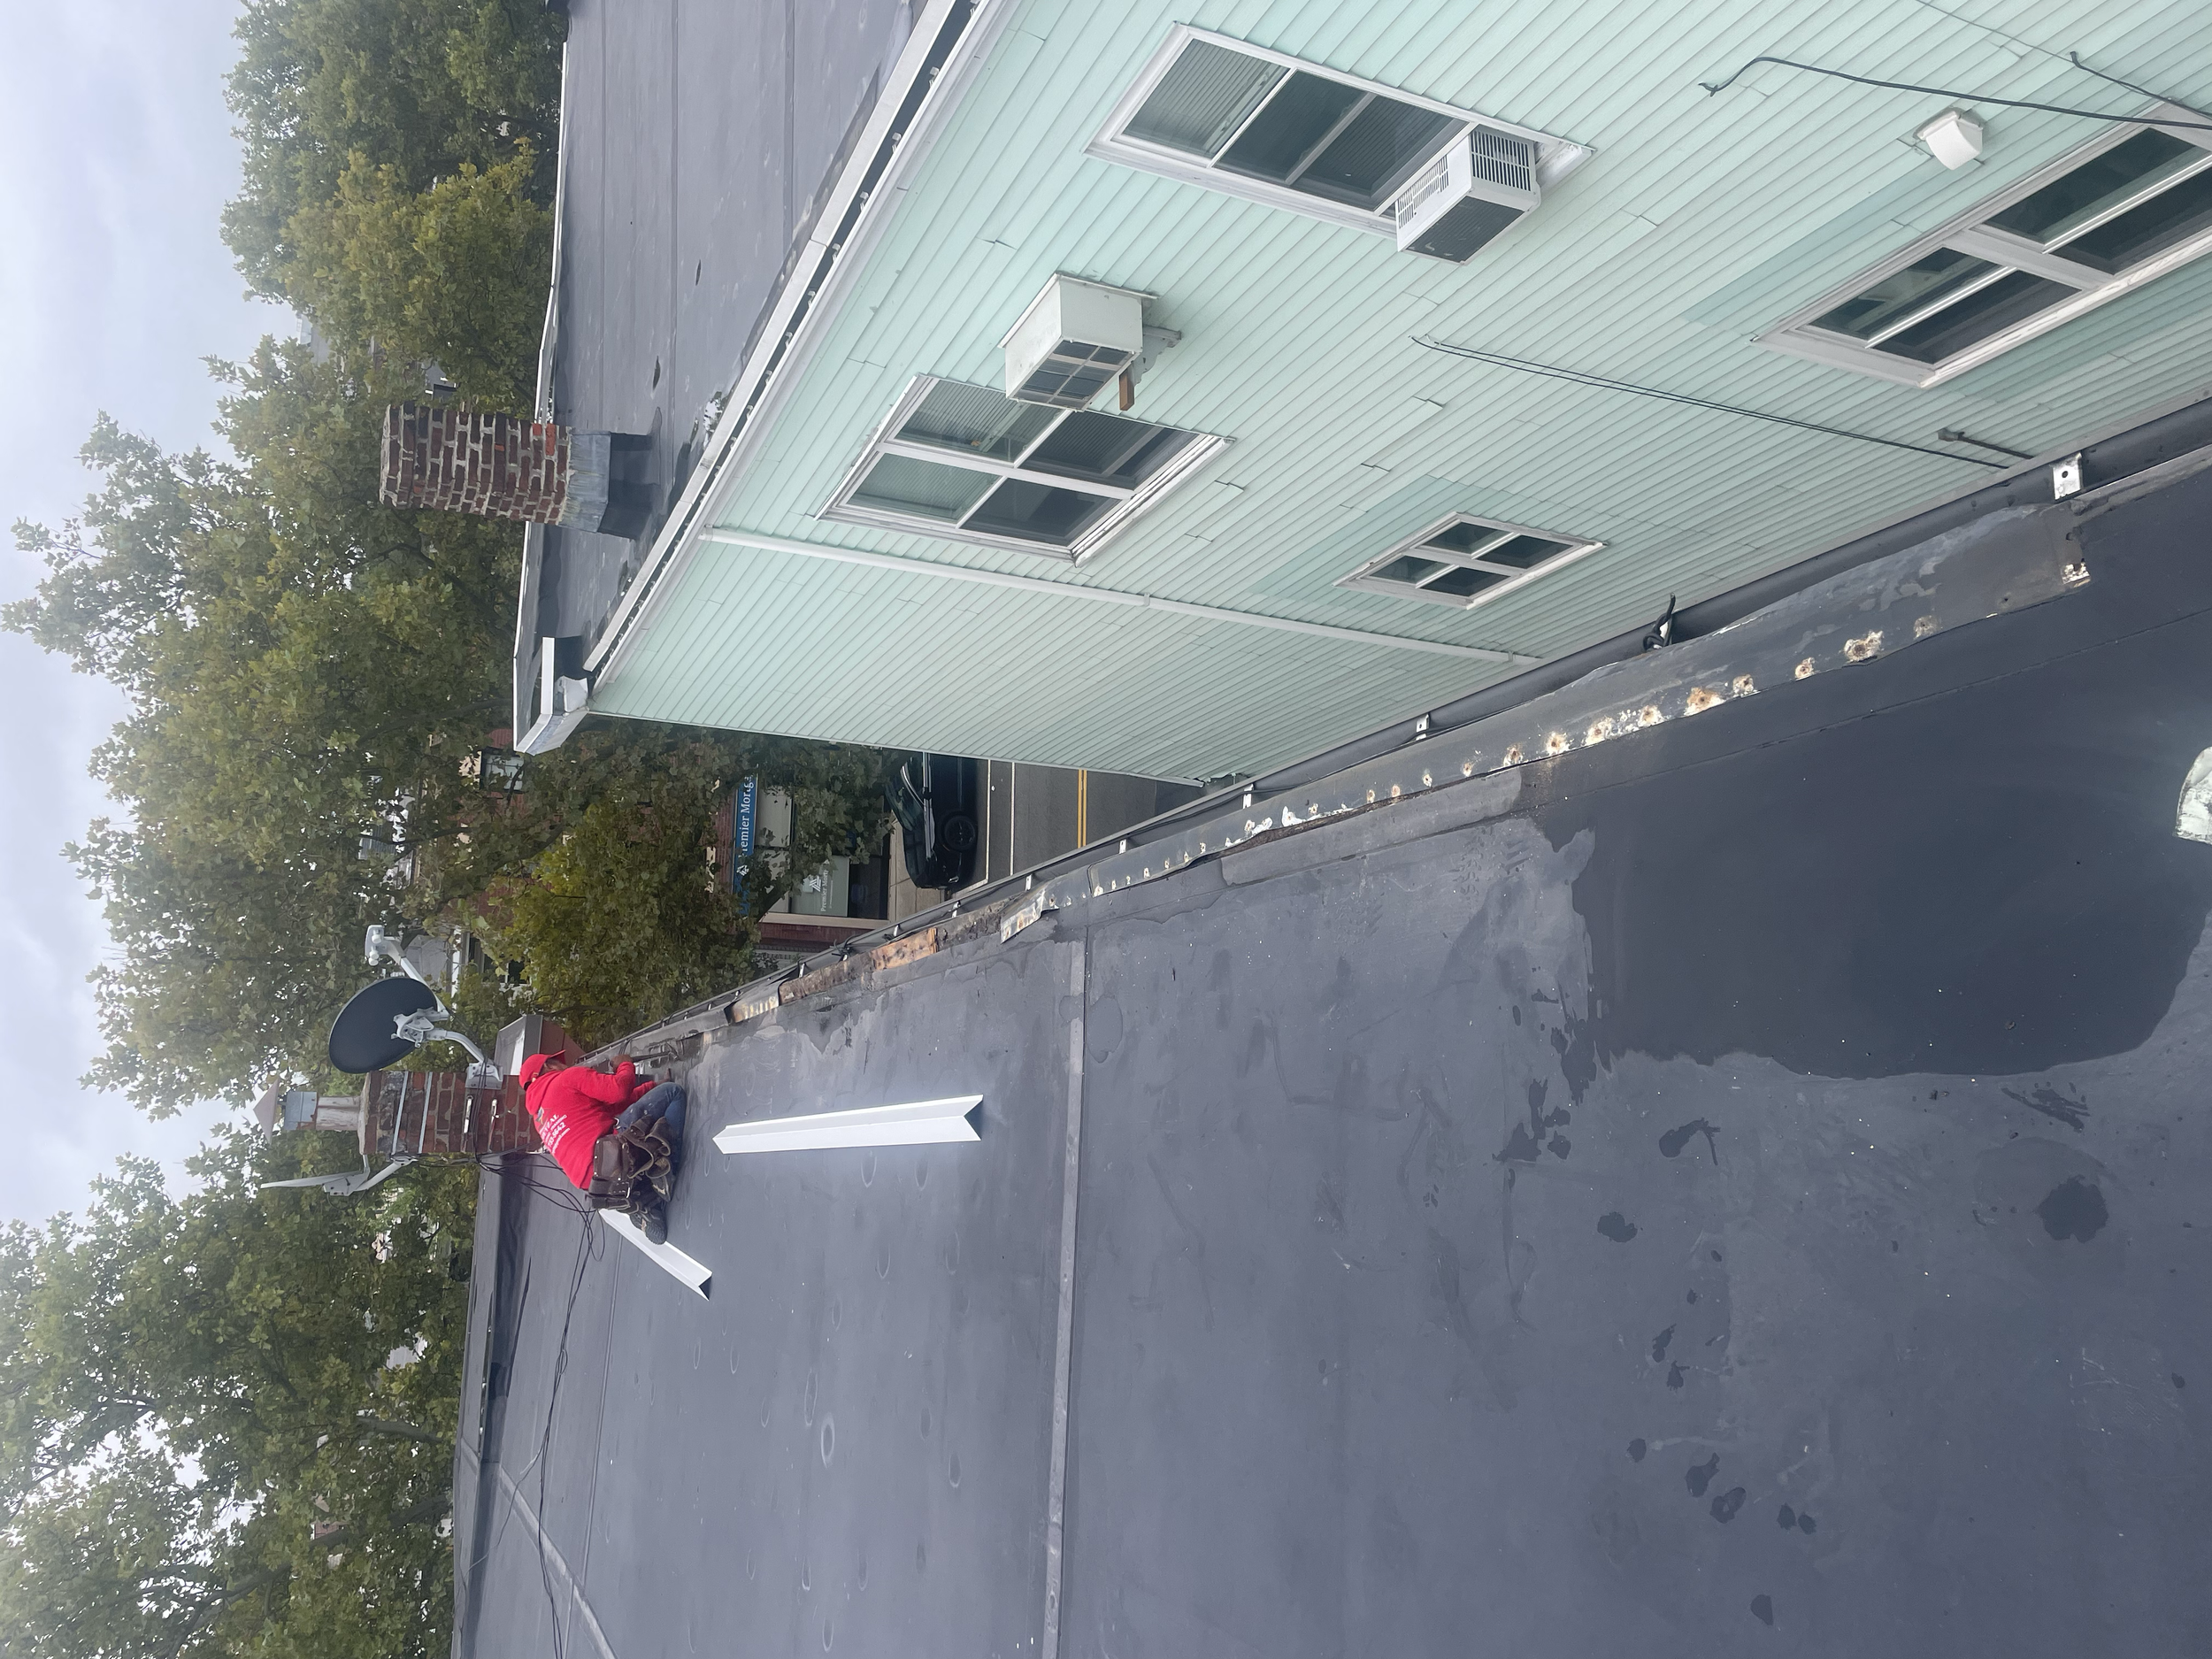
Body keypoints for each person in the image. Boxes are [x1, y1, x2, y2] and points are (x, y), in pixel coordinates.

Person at [518, 1053, 689, 1237]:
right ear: (548, 1067)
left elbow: (614, 1106)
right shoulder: (566, 1078)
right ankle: (664, 1167)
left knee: (627, 1129)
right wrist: (624, 1064)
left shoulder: (540, 1120)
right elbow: (618, 1091)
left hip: (597, 1186)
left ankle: (646, 1204)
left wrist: (652, 1088)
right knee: (673, 1092)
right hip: (615, 1152)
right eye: (558, 1062)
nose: (563, 1065)